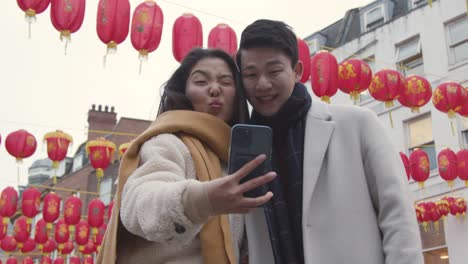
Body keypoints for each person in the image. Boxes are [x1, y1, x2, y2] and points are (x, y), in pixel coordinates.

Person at [235, 19, 424, 264]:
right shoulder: (244, 149)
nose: (262, 84)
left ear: (298, 70)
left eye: (274, 71)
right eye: (251, 74)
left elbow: (398, 215)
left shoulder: (357, 124)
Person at [96, 48, 276, 264]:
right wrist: (202, 200)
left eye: (226, 82)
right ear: (183, 91)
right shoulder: (169, 142)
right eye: (201, 82)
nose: (215, 89)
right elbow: (140, 204)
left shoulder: (234, 159)